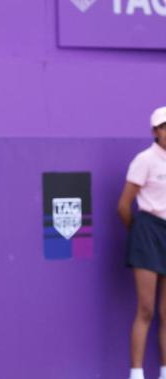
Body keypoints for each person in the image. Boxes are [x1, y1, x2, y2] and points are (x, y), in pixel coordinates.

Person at [118, 106, 166, 379]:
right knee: (146, 309)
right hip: (147, 232)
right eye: (165, 126)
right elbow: (123, 206)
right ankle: (136, 375)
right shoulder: (144, 160)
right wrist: (138, 234)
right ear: (155, 132)